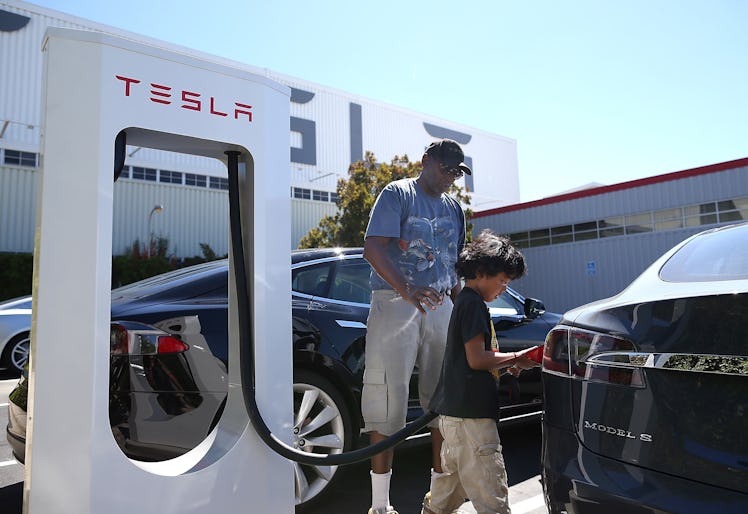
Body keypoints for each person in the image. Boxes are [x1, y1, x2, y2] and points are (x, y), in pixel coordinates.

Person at [362, 139, 471, 514]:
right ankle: (380, 506)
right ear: (426, 161)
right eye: (446, 169)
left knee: (441, 404)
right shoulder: (398, 193)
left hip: (440, 308)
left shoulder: (455, 208)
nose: (451, 178)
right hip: (395, 304)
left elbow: (455, 266)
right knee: (387, 401)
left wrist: (464, 311)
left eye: (457, 173)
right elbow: (373, 247)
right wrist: (407, 288)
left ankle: (439, 501)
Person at [422, 229, 540, 514]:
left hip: (454, 414)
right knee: (491, 493)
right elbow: (476, 359)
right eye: (503, 282)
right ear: (482, 271)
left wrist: (507, 362)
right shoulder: (473, 305)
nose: (503, 290)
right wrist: (518, 355)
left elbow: (470, 359)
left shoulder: (465, 302)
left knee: (446, 491)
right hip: (473, 418)